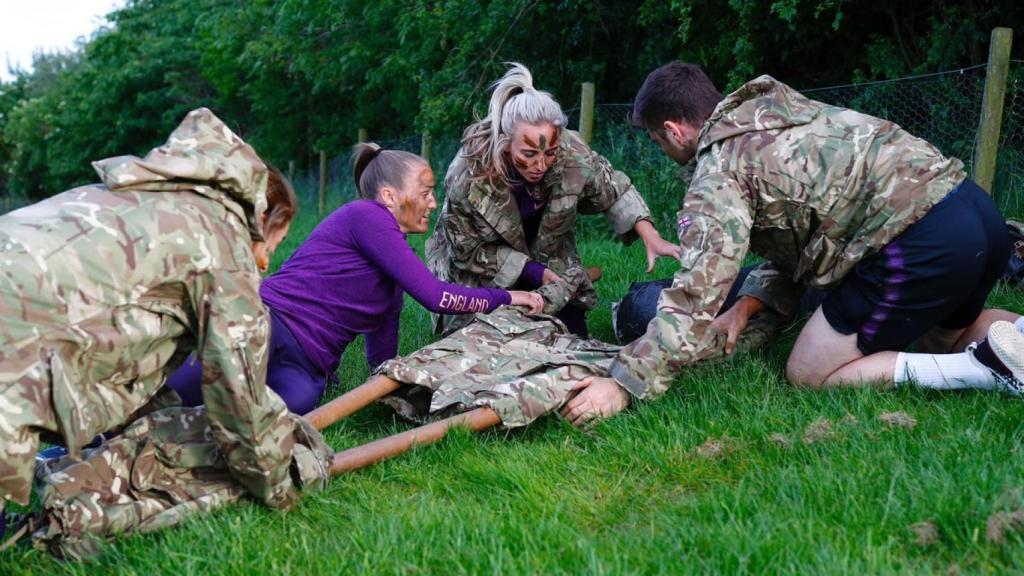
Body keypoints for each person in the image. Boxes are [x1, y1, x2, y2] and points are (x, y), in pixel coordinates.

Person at [560, 61, 1024, 427]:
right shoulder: (780, 114)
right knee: (938, 341)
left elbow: (694, 296)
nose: (663, 150)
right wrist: (749, 303)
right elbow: (801, 236)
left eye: (659, 140)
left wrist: (623, 385)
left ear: (675, 129)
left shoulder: (720, 172)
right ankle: (1011, 343)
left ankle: (981, 371)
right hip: (977, 215)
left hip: (920, 242)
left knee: (808, 373)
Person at [0, 108, 327, 539]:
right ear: (260, 216)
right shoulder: (223, 243)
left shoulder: (142, 194)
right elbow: (238, 397)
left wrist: (162, 429)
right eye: (272, 244)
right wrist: (280, 488)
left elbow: (123, 349)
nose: (265, 263)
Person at [167, 144, 544, 415]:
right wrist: (510, 297)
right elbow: (435, 296)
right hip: (267, 322)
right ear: (390, 196)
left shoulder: (392, 281)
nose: (433, 203)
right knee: (185, 390)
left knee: (283, 414)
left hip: (308, 366)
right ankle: (117, 425)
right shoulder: (366, 215)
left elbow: (382, 359)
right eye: (426, 193)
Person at [426, 62, 679, 338]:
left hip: (550, 260)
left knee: (571, 336)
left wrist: (648, 233)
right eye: (529, 154)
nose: (540, 164)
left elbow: (611, 188)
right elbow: (468, 253)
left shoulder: (570, 152)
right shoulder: (469, 177)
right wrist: (533, 272)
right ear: (505, 141)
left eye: (550, 153)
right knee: (486, 341)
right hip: (480, 275)